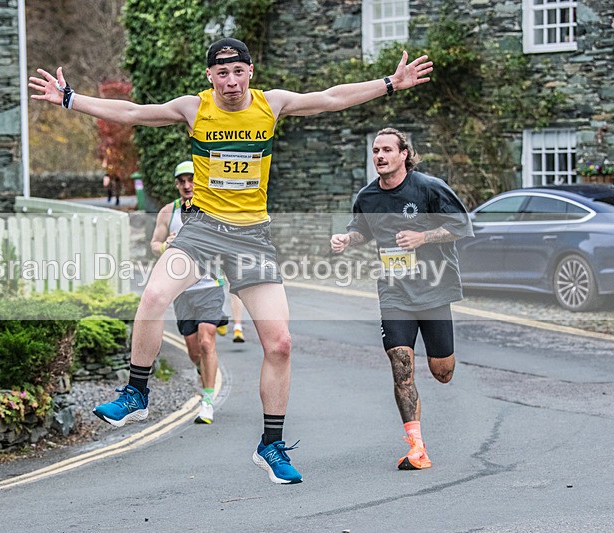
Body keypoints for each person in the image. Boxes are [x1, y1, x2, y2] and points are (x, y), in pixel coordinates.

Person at [30, 38, 432, 484]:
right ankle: (136, 392)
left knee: (280, 343)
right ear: (210, 77)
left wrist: (390, 84)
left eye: (238, 72)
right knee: (154, 296)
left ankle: (271, 444)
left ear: (250, 72)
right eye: (222, 74)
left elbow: (332, 98)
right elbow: (131, 112)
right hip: (202, 228)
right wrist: (70, 98)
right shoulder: (193, 108)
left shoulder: (271, 105)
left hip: (252, 236)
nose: (231, 82)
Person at [330, 128, 473, 470]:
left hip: (434, 290)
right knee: (401, 370)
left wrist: (423, 236)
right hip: (395, 292)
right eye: (375, 150)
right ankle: (417, 448)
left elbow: (461, 225)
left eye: (386, 150)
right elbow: (362, 230)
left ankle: (437, 360)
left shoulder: (428, 188)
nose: (379, 156)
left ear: (404, 154)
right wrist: (347, 240)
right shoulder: (367, 197)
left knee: (443, 372)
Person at [150, 160, 226, 424]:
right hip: (182, 290)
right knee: (194, 352)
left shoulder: (215, 209)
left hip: (210, 287)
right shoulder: (167, 213)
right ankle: (203, 372)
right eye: (181, 181)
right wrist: (166, 247)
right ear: (176, 184)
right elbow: (154, 244)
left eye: (191, 179)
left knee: (207, 341)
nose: (187, 185)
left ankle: (207, 401)